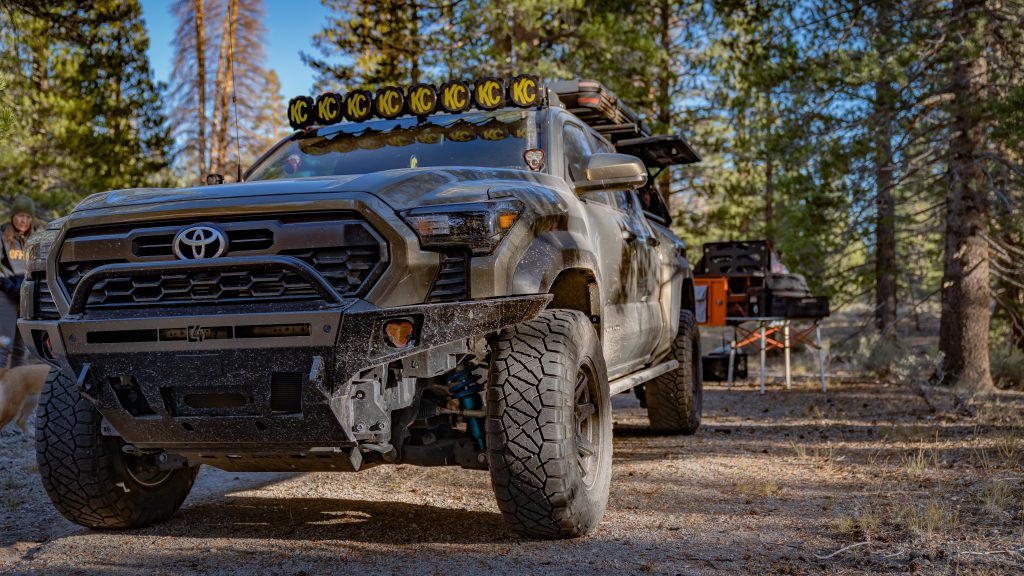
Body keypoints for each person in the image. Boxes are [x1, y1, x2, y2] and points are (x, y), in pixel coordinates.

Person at [0, 196, 39, 368]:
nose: (24, 220)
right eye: (20, 215)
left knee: (21, 350)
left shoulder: (35, 239)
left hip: (26, 298)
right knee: (3, 346)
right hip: (6, 296)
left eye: (28, 216)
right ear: (13, 216)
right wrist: (9, 286)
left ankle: (17, 384)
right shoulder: (2, 235)